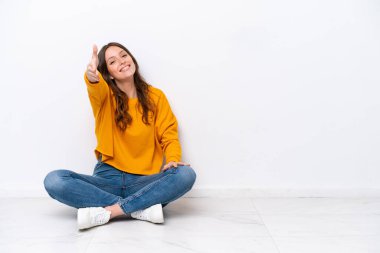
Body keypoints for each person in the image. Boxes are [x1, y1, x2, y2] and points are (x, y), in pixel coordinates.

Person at [43, 42, 196, 230]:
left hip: (144, 181)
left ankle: (111, 211)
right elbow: (94, 86)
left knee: (185, 174)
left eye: (124, 55)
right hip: (106, 180)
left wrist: (173, 159)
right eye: (113, 62)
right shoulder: (104, 96)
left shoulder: (156, 97)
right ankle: (140, 208)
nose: (122, 62)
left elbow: (169, 135)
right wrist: (91, 76)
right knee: (54, 180)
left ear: (132, 58)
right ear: (107, 72)